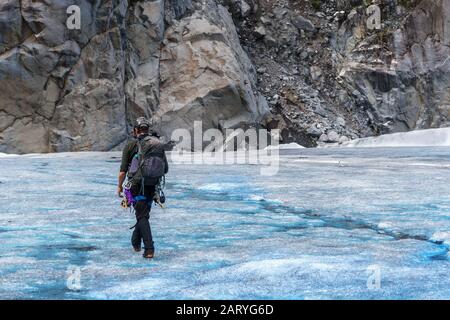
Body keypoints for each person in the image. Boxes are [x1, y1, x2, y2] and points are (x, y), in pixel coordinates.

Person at [117, 117, 168, 259]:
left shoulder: (131, 145)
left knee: (142, 215)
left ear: (135, 130)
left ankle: (149, 249)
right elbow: (166, 169)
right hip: (152, 184)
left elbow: (122, 171)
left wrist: (119, 187)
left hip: (136, 185)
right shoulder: (155, 144)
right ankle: (135, 243)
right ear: (147, 130)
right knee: (143, 214)